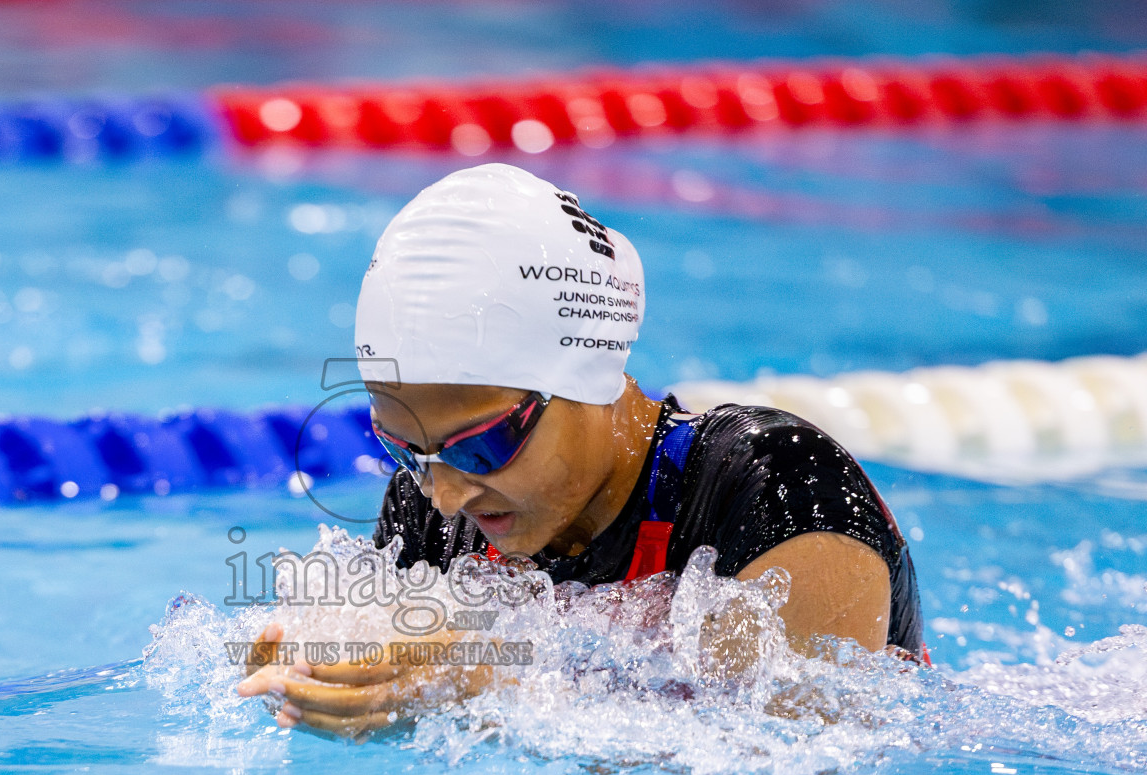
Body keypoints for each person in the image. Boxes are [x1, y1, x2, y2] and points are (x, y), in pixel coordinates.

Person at [238, 163, 923, 737]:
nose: (444, 496)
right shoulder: (432, 511)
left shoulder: (778, 487)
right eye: (406, 450)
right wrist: (323, 685)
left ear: (585, 377)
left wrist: (493, 686)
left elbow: (791, 763)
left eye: (481, 447)